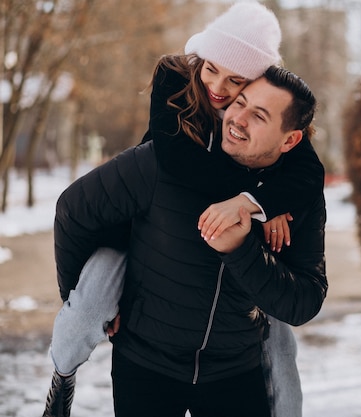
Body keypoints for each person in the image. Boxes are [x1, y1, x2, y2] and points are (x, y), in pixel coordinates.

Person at [42, 3, 323, 417]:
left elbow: (308, 177)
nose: (225, 97)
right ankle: (62, 376)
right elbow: (79, 208)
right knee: (89, 301)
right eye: (234, 97)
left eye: (243, 90)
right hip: (146, 353)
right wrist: (256, 199)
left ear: (289, 139)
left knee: (280, 346)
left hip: (234, 367)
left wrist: (265, 203)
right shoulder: (173, 99)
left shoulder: (292, 180)